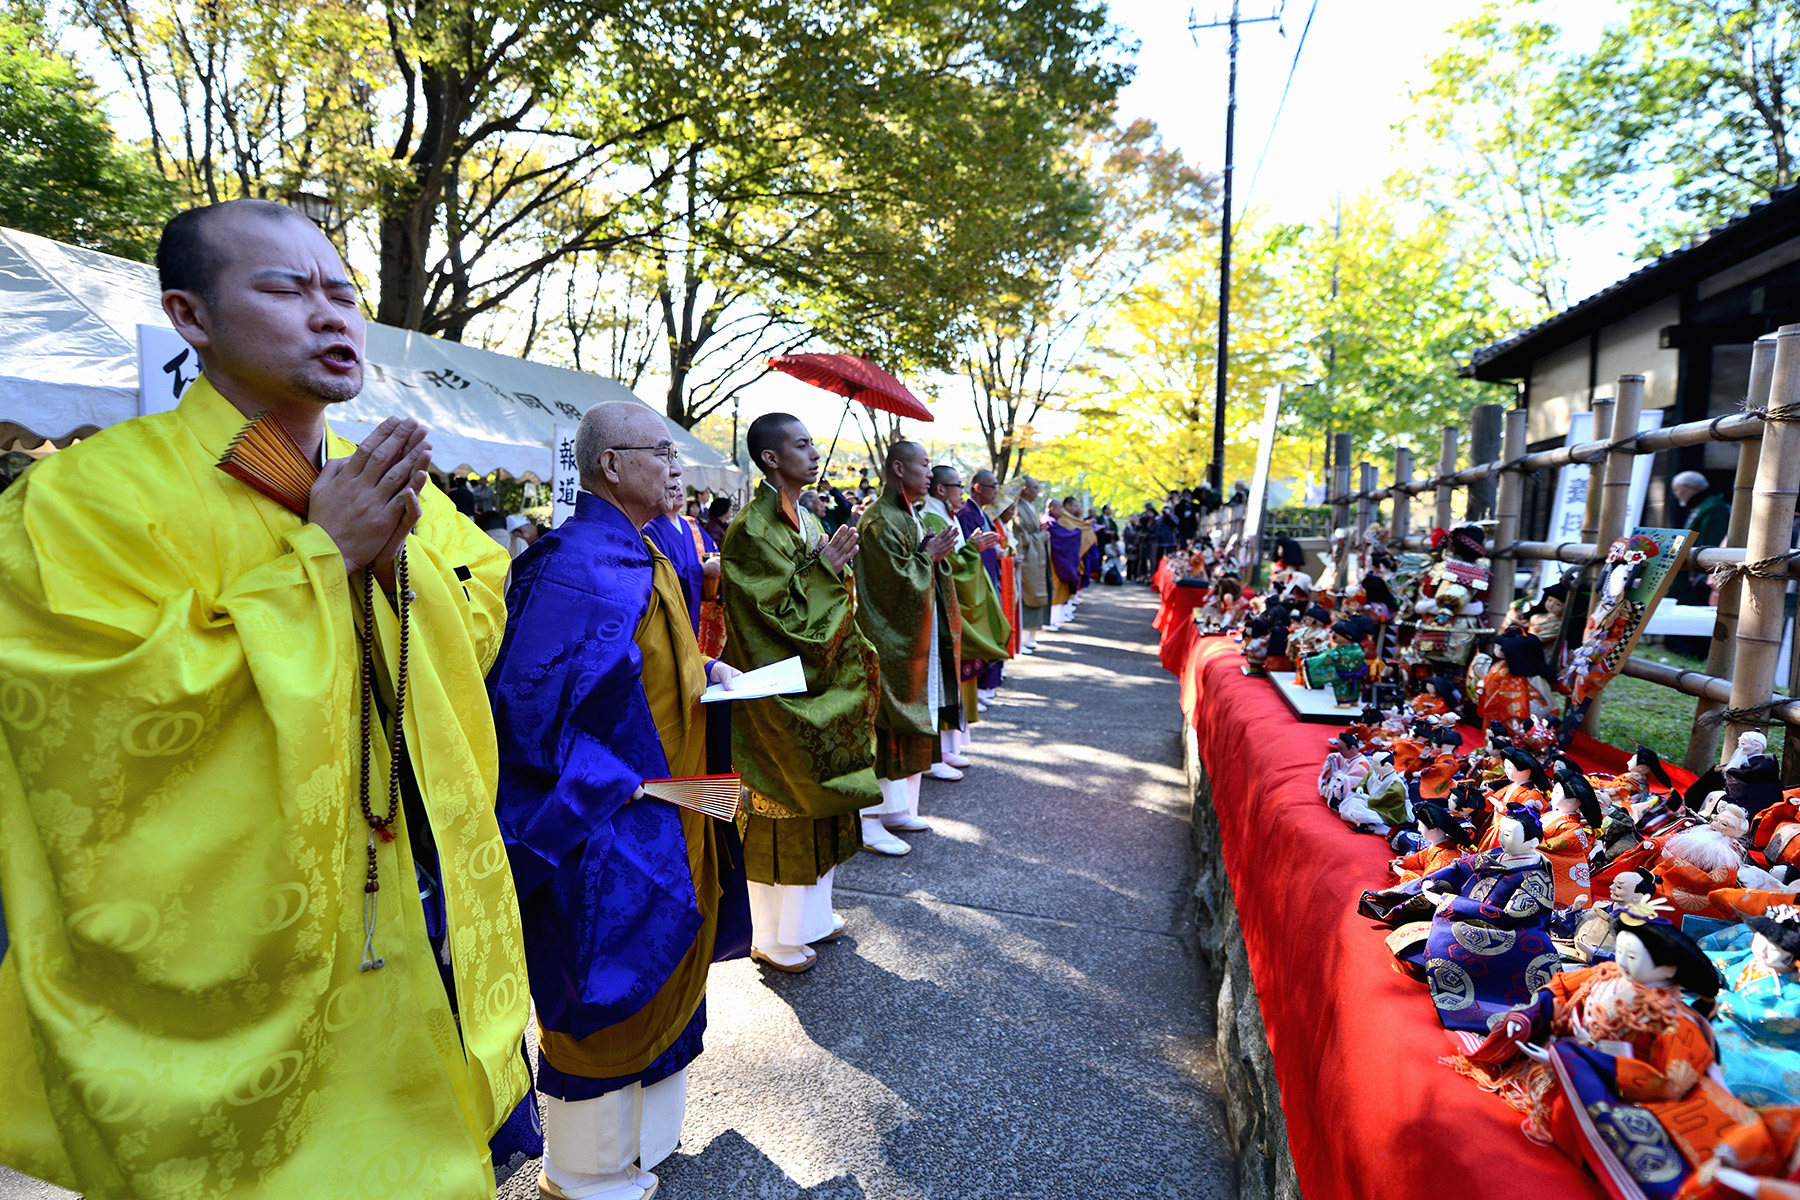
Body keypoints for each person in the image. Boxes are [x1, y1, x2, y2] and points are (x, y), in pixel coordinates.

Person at [0, 199, 536, 1196]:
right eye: (287, 289)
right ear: (190, 317)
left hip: (421, 907)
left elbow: (480, 610)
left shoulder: (392, 484)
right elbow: (90, 716)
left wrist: (394, 562)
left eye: (341, 292)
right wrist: (322, 561)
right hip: (244, 951)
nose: (330, 315)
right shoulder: (83, 498)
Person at [488, 402, 750, 1200]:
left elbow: (644, 668)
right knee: (605, 973)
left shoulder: (647, 553)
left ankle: (645, 1142)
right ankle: (584, 1169)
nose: (678, 469)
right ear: (611, 466)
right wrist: (612, 787)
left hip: (682, 800)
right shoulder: (570, 566)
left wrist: (707, 675)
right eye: (661, 454)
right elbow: (527, 712)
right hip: (611, 819)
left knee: (676, 957)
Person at [721, 414, 876, 972]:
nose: (814, 454)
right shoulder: (751, 530)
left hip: (816, 682)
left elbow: (826, 592)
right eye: (801, 444)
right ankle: (772, 933)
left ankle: (810, 917)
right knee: (784, 800)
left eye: (814, 443)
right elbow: (765, 621)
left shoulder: (803, 520)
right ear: (769, 458)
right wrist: (823, 573)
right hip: (773, 694)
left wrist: (829, 571)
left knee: (819, 799)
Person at [854, 441, 961, 853]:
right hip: (889, 639)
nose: (930, 473)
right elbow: (887, 587)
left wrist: (933, 553)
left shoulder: (909, 515)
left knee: (908, 723)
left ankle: (896, 808)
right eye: (924, 464)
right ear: (899, 468)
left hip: (917, 637)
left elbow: (921, 568)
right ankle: (869, 818)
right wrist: (926, 557)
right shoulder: (880, 519)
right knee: (885, 723)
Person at [923, 465, 1008, 762]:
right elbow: (946, 566)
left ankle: (951, 747)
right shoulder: (931, 517)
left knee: (955, 677)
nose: (961, 492)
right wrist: (972, 550)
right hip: (942, 609)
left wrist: (972, 549)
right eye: (957, 485)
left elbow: (955, 561)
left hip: (956, 607)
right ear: (941, 489)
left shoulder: (947, 515)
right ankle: (942, 752)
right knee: (945, 676)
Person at [958, 469, 1018, 706]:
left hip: (988, 577)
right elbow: (971, 550)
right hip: (977, 582)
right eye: (992, 486)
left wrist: (996, 552)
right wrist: (994, 552)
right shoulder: (967, 513)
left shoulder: (978, 513)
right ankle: (981, 688)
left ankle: (986, 686)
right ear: (977, 487)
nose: (996, 491)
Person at [1011, 476, 1052, 653]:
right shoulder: (1017, 508)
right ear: (1025, 488)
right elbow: (1020, 536)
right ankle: (1021, 640)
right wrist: (1039, 538)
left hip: (1035, 556)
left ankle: (1030, 637)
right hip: (1026, 557)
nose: (1037, 492)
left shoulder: (1029, 506)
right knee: (1026, 594)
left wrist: (1041, 536)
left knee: (1037, 591)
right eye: (1035, 488)